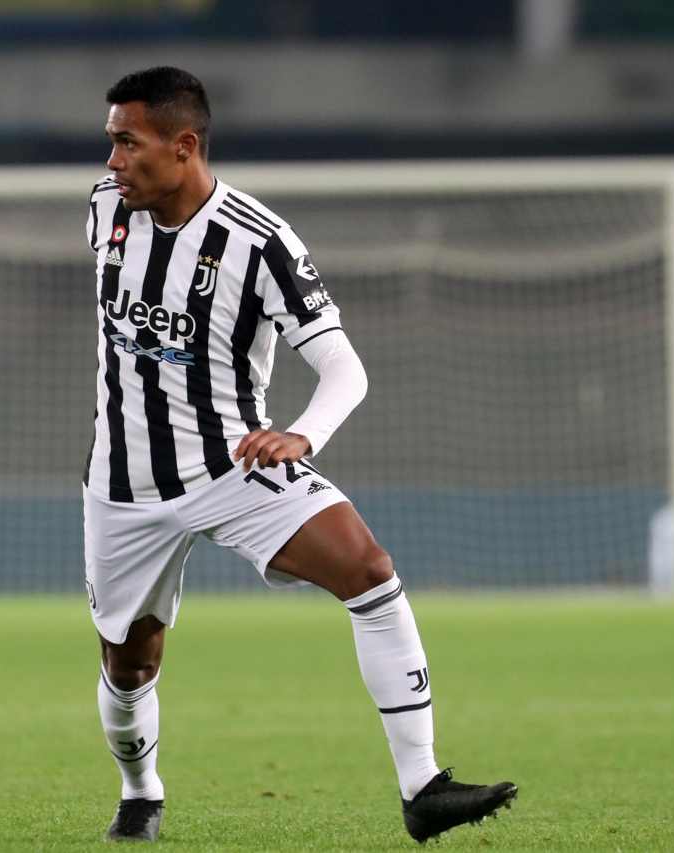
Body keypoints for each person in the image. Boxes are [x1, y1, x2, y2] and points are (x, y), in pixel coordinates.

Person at [83, 66, 517, 844]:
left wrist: (302, 434)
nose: (113, 160)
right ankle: (140, 791)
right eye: (110, 142)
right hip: (124, 485)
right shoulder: (106, 209)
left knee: (367, 567)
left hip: (234, 464)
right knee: (130, 664)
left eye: (127, 142)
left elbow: (345, 368)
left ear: (183, 146)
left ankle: (422, 785)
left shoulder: (261, 242)